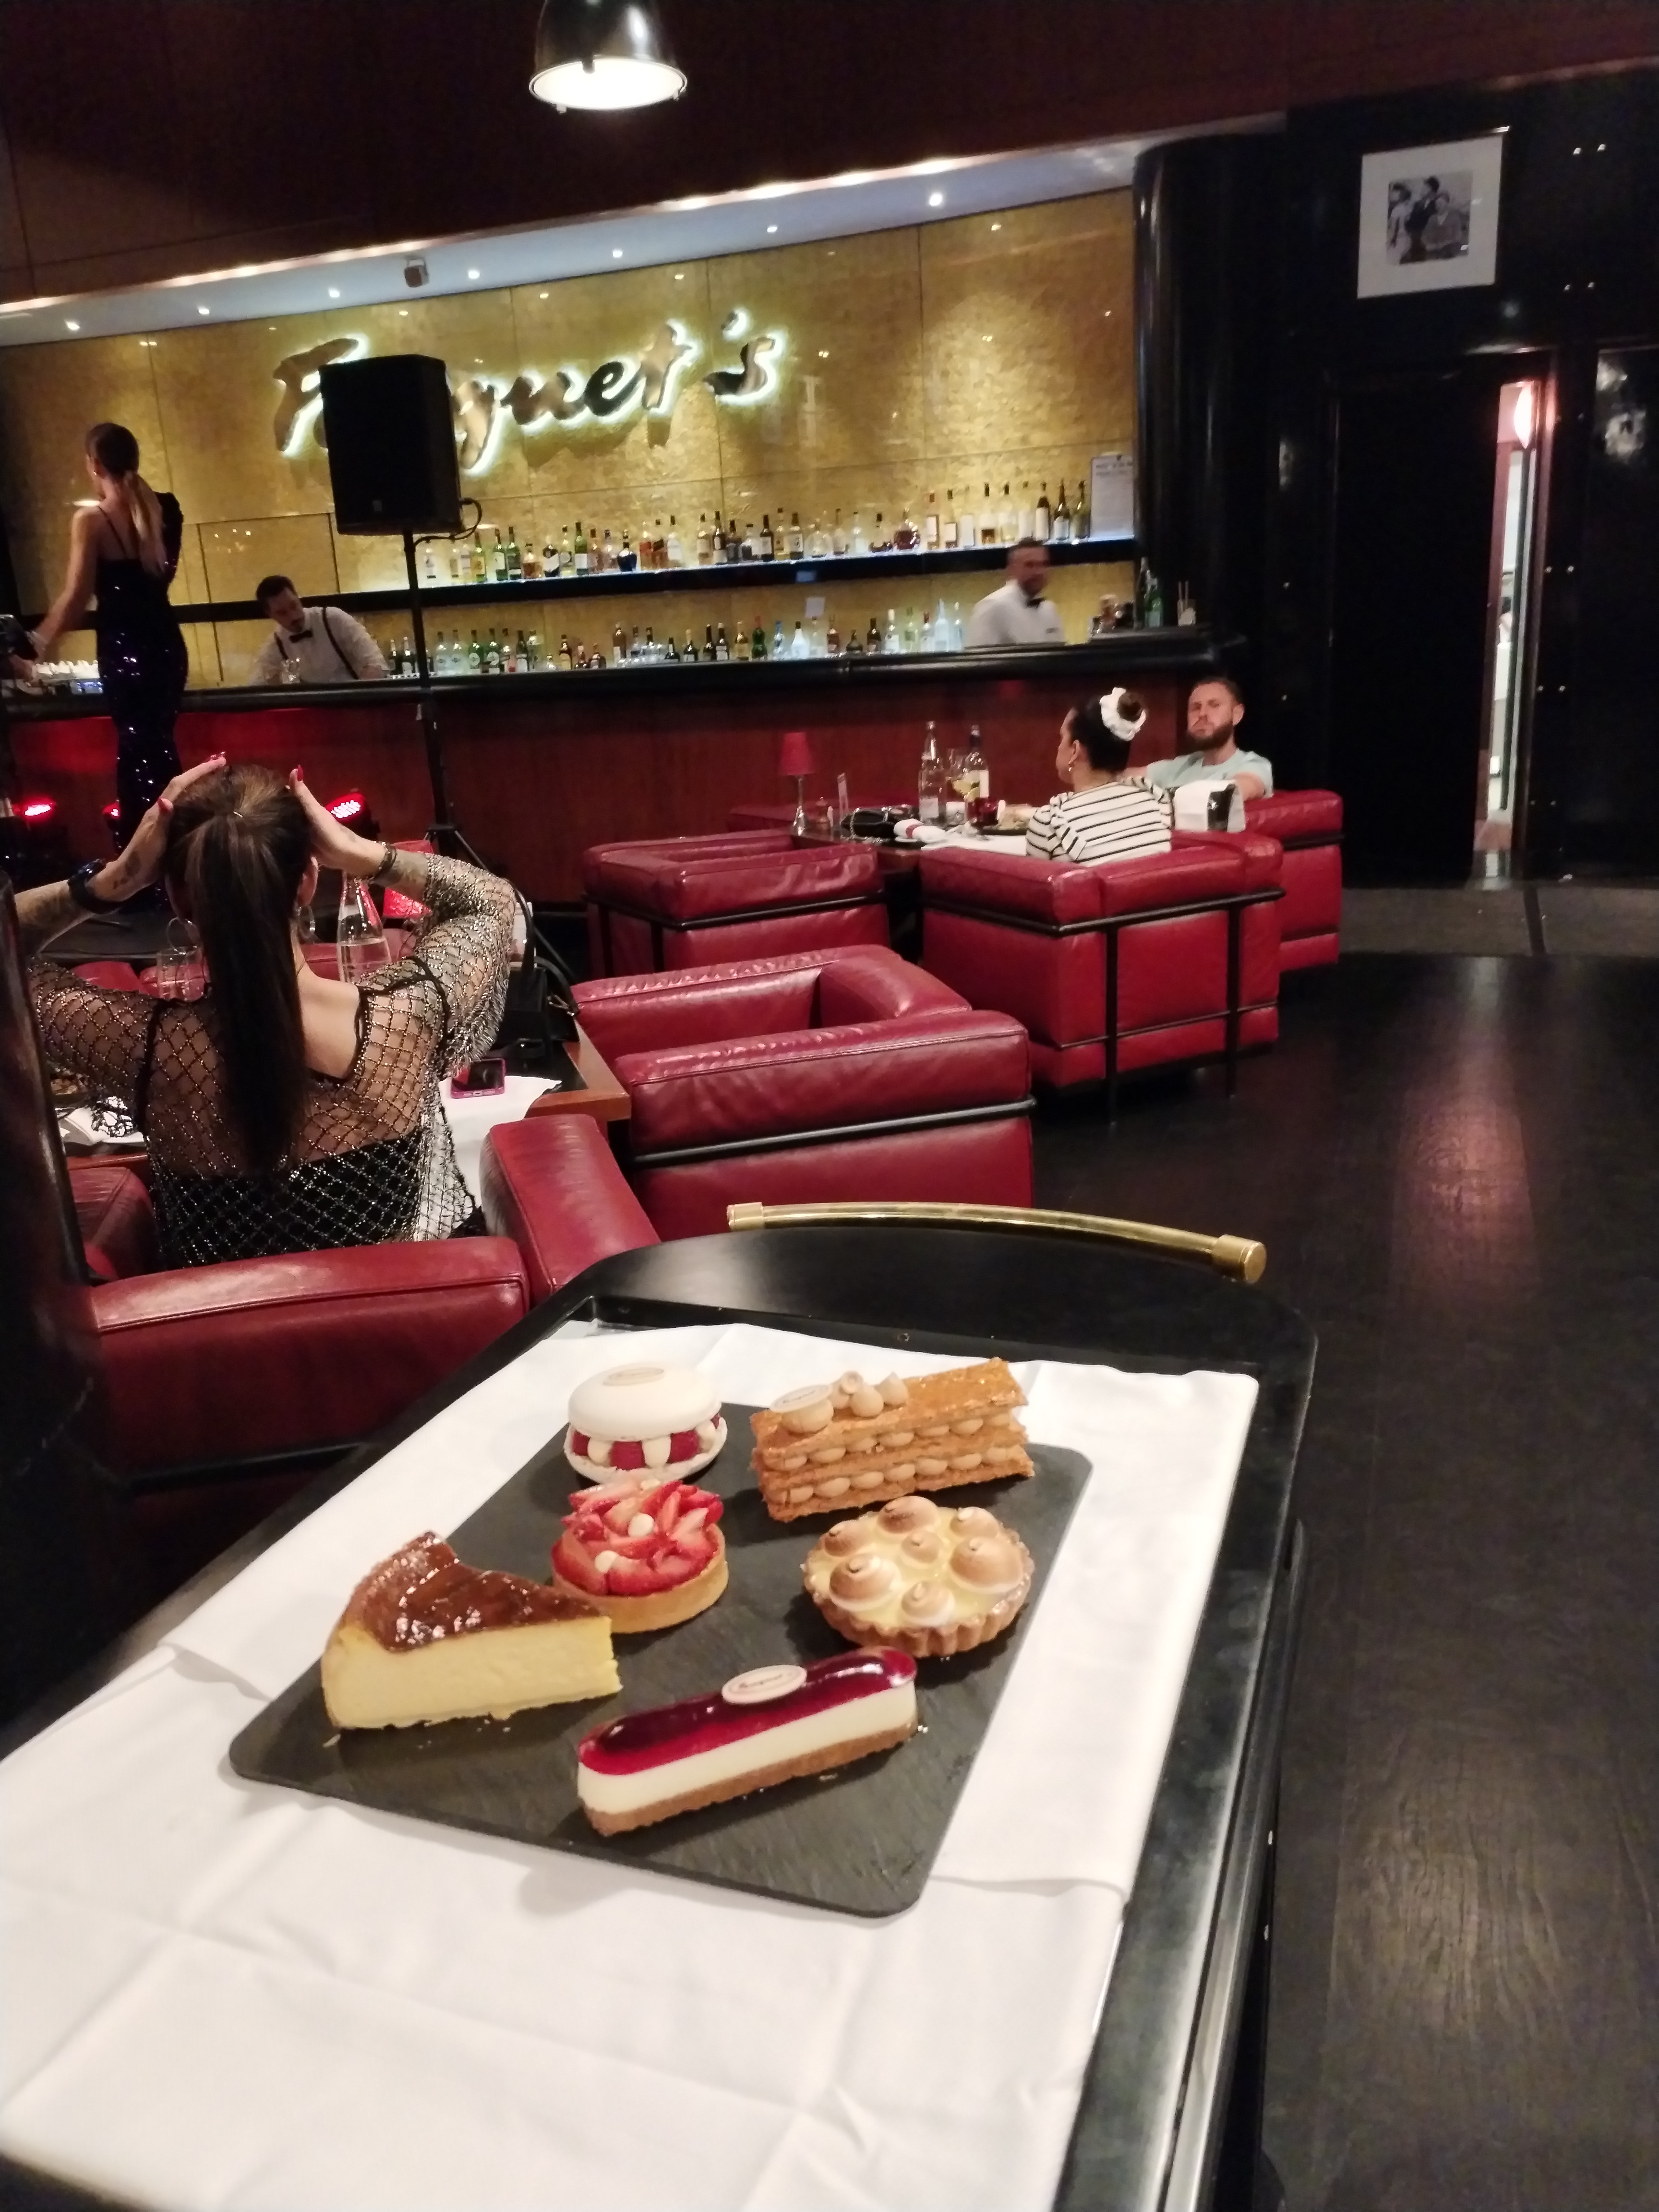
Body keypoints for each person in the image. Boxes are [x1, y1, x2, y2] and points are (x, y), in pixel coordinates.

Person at [19, 758, 517, 1268]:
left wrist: (110, 882)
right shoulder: (407, 1017)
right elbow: (493, 903)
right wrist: (362, 853)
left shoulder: (139, 1047)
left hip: (218, 1322)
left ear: (178, 898)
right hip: (406, 1314)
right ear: (307, 883)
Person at [16, 422, 187, 847]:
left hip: (124, 648)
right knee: (161, 748)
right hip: (166, 646)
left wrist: (34, 647)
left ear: (94, 464)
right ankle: (178, 845)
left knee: (136, 754)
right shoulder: (166, 509)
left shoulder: (92, 520)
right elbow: (159, 580)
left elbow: (75, 598)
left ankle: (146, 857)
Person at [1006, 689, 1171, 865]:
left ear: (1075, 751)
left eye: (1062, 738)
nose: (1059, 747)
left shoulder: (1050, 823)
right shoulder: (1157, 801)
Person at [1142, 677, 1274, 800]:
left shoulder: (1253, 765)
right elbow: (1130, 776)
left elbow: (1234, 792)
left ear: (1237, 714)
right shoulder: (1183, 765)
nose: (1202, 714)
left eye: (1214, 705)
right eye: (1195, 708)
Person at [250, 576, 387, 684]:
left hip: (353, 704)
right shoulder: (275, 644)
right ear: (270, 615)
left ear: (298, 598)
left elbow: (376, 663)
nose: (293, 616)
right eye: (282, 613)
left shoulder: (334, 619)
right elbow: (255, 686)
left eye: (294, 605)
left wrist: (359, 696)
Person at [964, 539, 1066, 649]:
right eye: (1030, 565)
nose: (1039, 572)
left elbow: (1060, 654)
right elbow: (978, 658)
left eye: (1043, 564)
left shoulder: (1049, 609)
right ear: (1012, 570)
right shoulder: (992, 607)